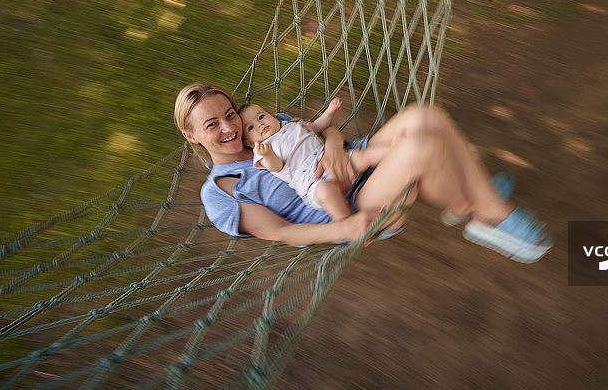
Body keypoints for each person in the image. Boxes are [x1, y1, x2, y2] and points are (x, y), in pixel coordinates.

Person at [174, 82, 552, 262]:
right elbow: (280, 232)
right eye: (212, 125)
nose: (229, 129)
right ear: (191, 135)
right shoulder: (222, 190)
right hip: (350, 207)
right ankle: (491, 211)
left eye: (228, 115)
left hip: (355, 158)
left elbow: (313, 134)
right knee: (424, 147)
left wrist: (336, 143)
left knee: (427, 115)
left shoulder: (262, 125)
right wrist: (345, 229)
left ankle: (468, 198)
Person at [239, 97, 385, 221]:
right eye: (251, 128)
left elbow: (317, 127)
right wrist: (267, 155)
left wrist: (330, 112)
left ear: (273, 116)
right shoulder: (262, 150)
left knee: (362, 156)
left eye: (261, 117)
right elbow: (275, 166)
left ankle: (395, 150)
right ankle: (353, 225)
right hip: (313, 181)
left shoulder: (293, 125)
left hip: (330, 159)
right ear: (249, 143)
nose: (259, 124)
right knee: (326, 193)